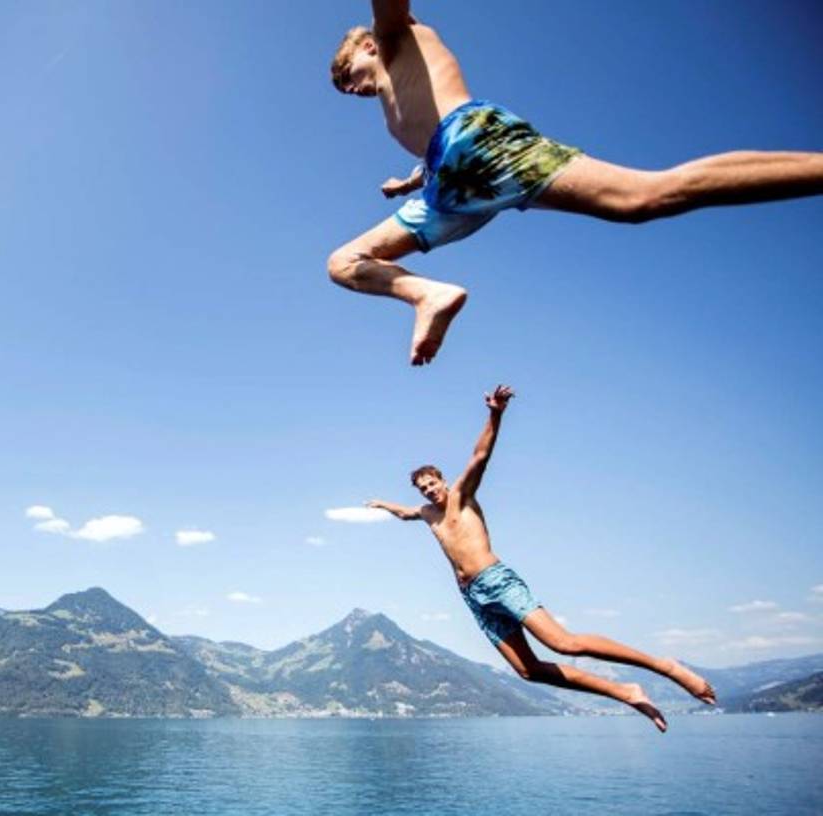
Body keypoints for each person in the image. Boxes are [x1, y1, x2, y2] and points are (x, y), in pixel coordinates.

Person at [327, 2, 823, 366]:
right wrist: (411, 181)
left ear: (368, 46)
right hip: (449, 181)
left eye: (348, 75)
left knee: (643, 197)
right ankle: (426, 295)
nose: (352, 89)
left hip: (476, 140)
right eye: (346, 90)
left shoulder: (394, 38)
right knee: (344, 262)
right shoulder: (396, 97)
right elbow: (432, 139)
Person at [367, 384, 716, 731]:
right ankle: (625, 692)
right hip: (472, 596)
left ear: (442, 480)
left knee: (564, 643)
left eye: (432, 483)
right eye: (423, 488)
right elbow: (405, 513)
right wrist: (382, 504)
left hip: (496, 581)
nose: (429, 490)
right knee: (528, 670)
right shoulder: (427, 513)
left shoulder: (462, 494)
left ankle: (664, 666)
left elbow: (480, 455)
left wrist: (495, 414)